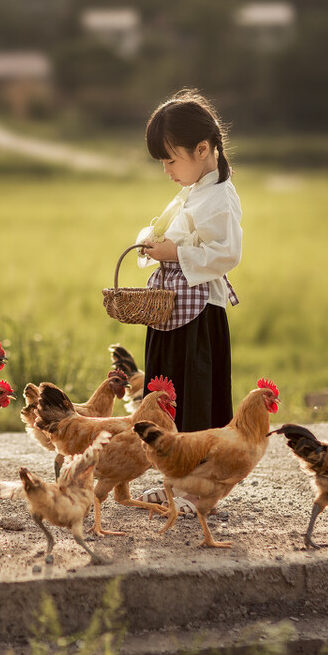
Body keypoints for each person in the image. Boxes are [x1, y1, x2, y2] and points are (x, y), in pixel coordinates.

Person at [136, 89, 241, 433]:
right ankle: (173, 471)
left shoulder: (219, 197)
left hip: (198, 318)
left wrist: (175, 253)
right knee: (166, 397)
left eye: (170, 161)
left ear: (202, 149)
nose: (166, 171)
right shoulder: (194, 191)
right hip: (172, 311)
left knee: (193, 399)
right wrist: (152, 244)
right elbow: (175, 234)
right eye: (162, 163)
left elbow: (227, 254)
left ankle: (194, 477)